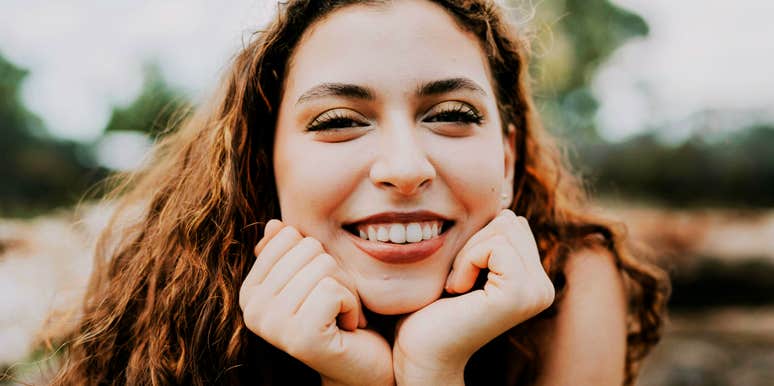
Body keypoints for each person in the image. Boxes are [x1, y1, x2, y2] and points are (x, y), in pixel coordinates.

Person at [51, 0, 669, 385]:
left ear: (505, 159)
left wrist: (432, 371)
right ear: (262, 162)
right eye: (339, 121)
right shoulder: (181, 319)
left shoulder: (572, 281)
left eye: (451, 113)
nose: (404, 168)